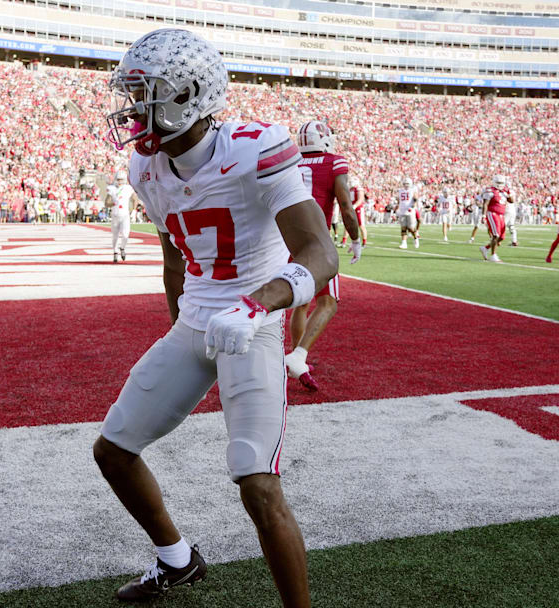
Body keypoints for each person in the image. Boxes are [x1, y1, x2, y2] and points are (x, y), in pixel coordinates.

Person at [95, 28, 334, 607]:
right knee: (114, 450)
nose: (133, 109)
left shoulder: (256, 147)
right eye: (131, 93)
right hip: (198, 320)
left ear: (189, 96)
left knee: (257, 484)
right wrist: (181, 326)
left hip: (254, 323)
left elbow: (320, 255)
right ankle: (176, 560)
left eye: (146, 93)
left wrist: (257, 304)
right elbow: (174, 260)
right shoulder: (144, 170)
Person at [284, 120, 362, 392]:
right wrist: (355, 238)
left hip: (285, 239)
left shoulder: (290, 162)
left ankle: (295, 355)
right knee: (328, 303)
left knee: (301, 303)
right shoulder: (334, 162)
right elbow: (346, 206)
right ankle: (298, 356)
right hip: (315, 240)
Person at [479, 175, 511, 263]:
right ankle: (493, 255)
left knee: (501, 237)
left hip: (501, 215)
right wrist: (483, 216)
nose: (500, 185)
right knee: (495, 235)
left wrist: (509, 193)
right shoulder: (490, 191)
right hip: (492, 214)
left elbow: (512, 200)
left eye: (501, 183)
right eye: (498, 183)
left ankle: (485, 248)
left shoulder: (504, 192)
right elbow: (485, 204)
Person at [105, 171, 135, 263]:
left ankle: (122, 248)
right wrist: (113, 203)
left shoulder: (128, 188)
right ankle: (115, 252)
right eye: (118, 179)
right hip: (115, 215)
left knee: (126, 235)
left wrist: (134, 210)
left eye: (121, 179)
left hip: (125, 215)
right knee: (115, 236)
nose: (119, 181)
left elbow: (134, 199)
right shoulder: (112, 189)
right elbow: (106, 203)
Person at [396, 178, 420, 249]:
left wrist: (413, 206)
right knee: (403, 228)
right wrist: (397, 209)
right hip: (402, 210)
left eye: (407, 184)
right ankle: (404, 243)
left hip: (410, 211)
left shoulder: (413, 190)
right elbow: (399, 201)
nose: (406, 185)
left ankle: (416, 238)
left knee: (411, 228)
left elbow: (416, 199)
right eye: (405, 184)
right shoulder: (400, 191)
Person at [348, 175, 367, 247]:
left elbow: (360, 199)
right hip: (352, 208)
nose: (350, 182)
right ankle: (344, 241)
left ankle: (364, 242)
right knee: (349, 225)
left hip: (358, 208)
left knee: (361, 225)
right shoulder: (350, 189)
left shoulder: (358, 188)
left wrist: (354, 206)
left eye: (352, 181)